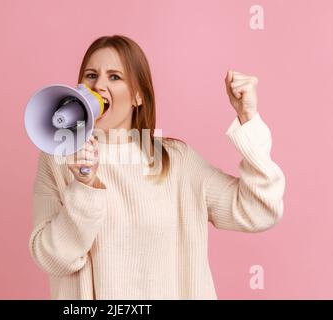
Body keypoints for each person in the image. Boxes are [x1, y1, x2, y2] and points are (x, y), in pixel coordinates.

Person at [28, 35, 285, 299]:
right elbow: (52, 259)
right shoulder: (58, 160)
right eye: (91, 75)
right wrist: (84, 185)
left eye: (114, 77)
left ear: (138, 95)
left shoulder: (176, 162)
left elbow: (260, 210)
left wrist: (248, 117)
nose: (99, 86)